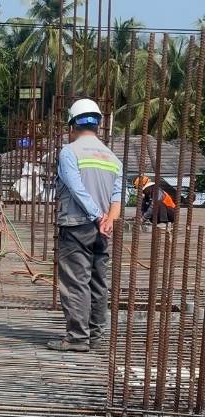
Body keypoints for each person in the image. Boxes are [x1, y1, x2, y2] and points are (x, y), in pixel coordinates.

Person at [47, 98, 122, 352]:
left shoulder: (69, 152)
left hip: (77, 225)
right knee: (98, 281)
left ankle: (78, 337)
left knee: (75, 281)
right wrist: (108, 220)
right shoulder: (113, 158)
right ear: (98, 125)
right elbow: (117, 198)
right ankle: (96, 335)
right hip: (103, 229)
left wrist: (97, 216)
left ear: (72, 125)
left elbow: (76, 188)